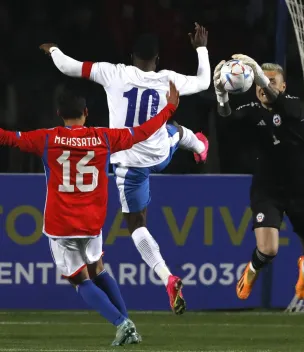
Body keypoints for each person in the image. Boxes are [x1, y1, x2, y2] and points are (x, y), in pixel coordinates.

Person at [39, 23, 211, 315]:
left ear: (132, 56)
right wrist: (201, 49)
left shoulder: (114, 72)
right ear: (157, 60)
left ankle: (166, 277)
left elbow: (69, 67)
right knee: (176, 130)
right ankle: (200, 147)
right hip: (159, 153)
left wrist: (52, 49)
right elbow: (204, 82)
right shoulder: (168, 79)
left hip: (128, 162)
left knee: (137, 226)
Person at [0, 82, 180, 345]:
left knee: (79, 280)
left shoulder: (47, 138)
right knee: (98, 269)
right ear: (86, 112)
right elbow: (142, 132)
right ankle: (129, 324)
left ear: (59, 113)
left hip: (61, 225)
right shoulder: (104, 137)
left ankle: (122, 323)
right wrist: (169, 109)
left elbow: (7, 138)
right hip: (93, 223)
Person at [214, 55, 304, 301]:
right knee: (268, 249)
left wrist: (261, 78)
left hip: (302, 189)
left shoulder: (297, 106)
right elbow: (226, 121)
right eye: (261, 83)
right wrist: (221, 96)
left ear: (283, 86)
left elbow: (286, 108)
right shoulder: (250, 112)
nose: (265, 87)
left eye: (272, 82)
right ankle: (251, 271)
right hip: (268, 189)